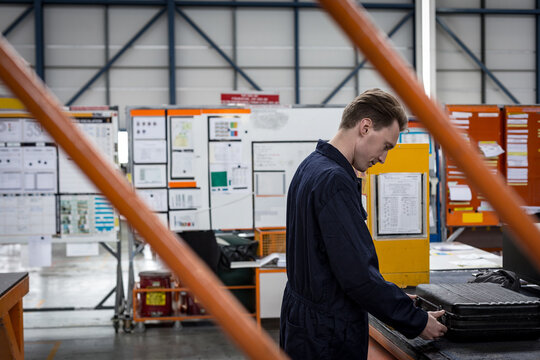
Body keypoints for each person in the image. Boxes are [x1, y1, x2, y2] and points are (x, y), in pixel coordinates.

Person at [280, 89, 447, 359]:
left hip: (306, 322)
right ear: (365, 127)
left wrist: (395, 299)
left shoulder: (310, 167)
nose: (383, 158)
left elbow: (330, 264)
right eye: (386, 146)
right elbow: (358, 277)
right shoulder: (334, 181)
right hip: (326, 332)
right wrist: (416, 321)